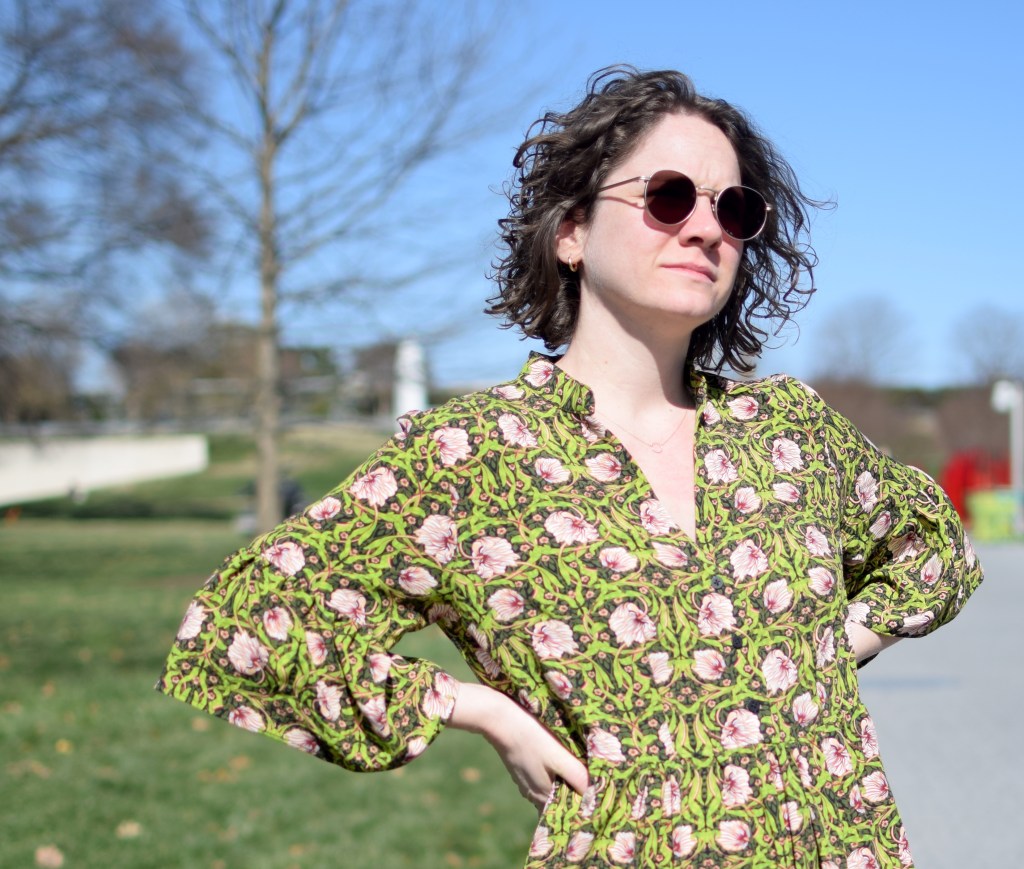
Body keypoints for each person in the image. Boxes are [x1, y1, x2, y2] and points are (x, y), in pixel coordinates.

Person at [158, 66, 983, 868]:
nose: (705, 229)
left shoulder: (788, 431)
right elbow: (244, 626)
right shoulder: (474, 456)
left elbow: (936, 550)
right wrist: (481, 708)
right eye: (668, 196)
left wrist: (819, 656)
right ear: (571, 232)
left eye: (733, 208)